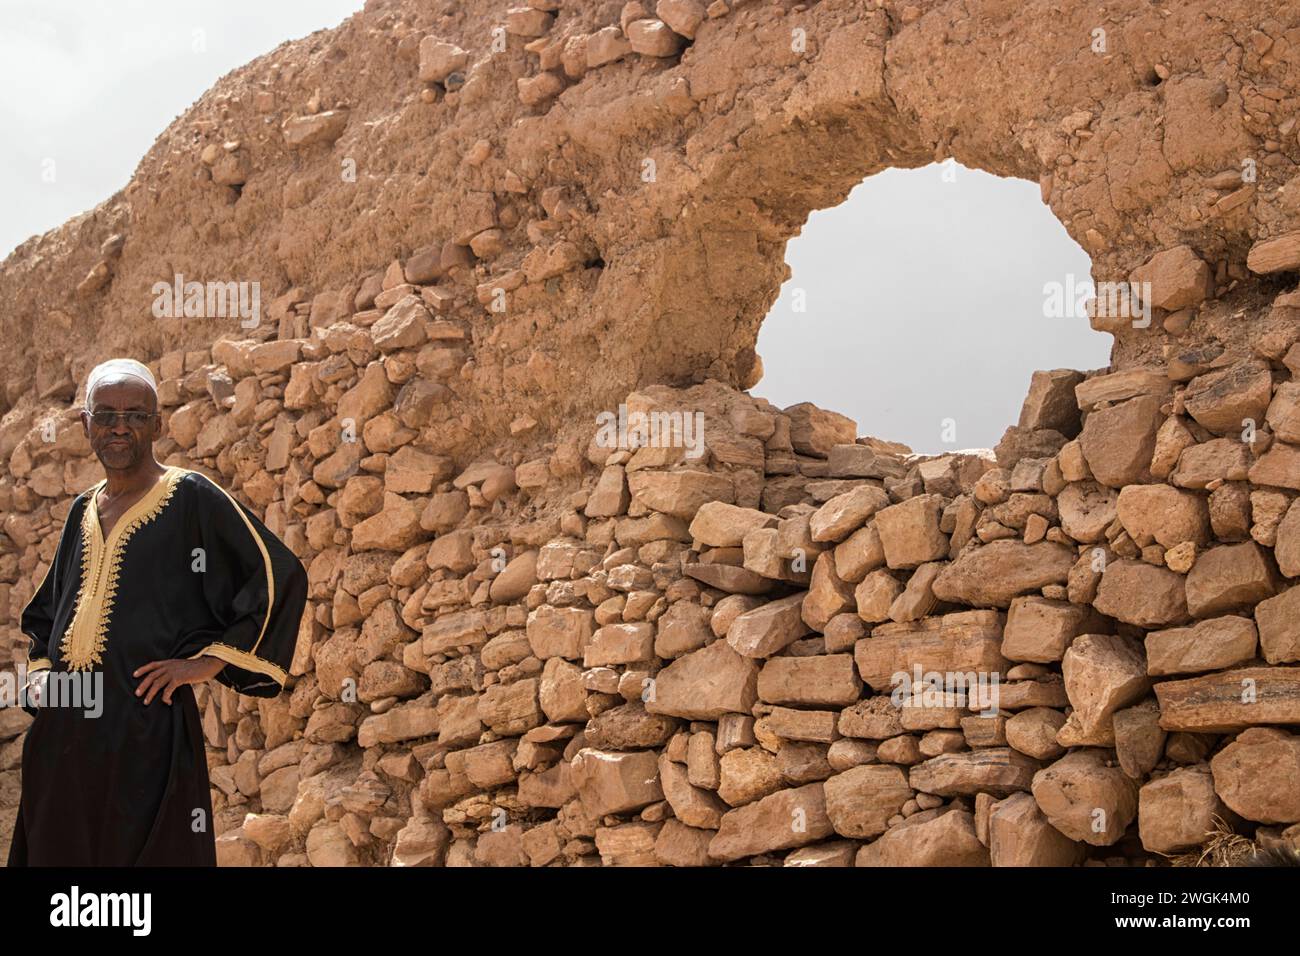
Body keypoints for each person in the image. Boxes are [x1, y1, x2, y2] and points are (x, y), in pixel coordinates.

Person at [7, 358, 308, 866]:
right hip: (63, 740)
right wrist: (40, 675)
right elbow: (46, 615)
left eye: (135, 415)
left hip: (145, 731)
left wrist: (207, 662)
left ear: (158, 423)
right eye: (105, 414)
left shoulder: (189, 497)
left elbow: (277, 574)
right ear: (86, 425)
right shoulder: (83, 510)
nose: (119, 426)